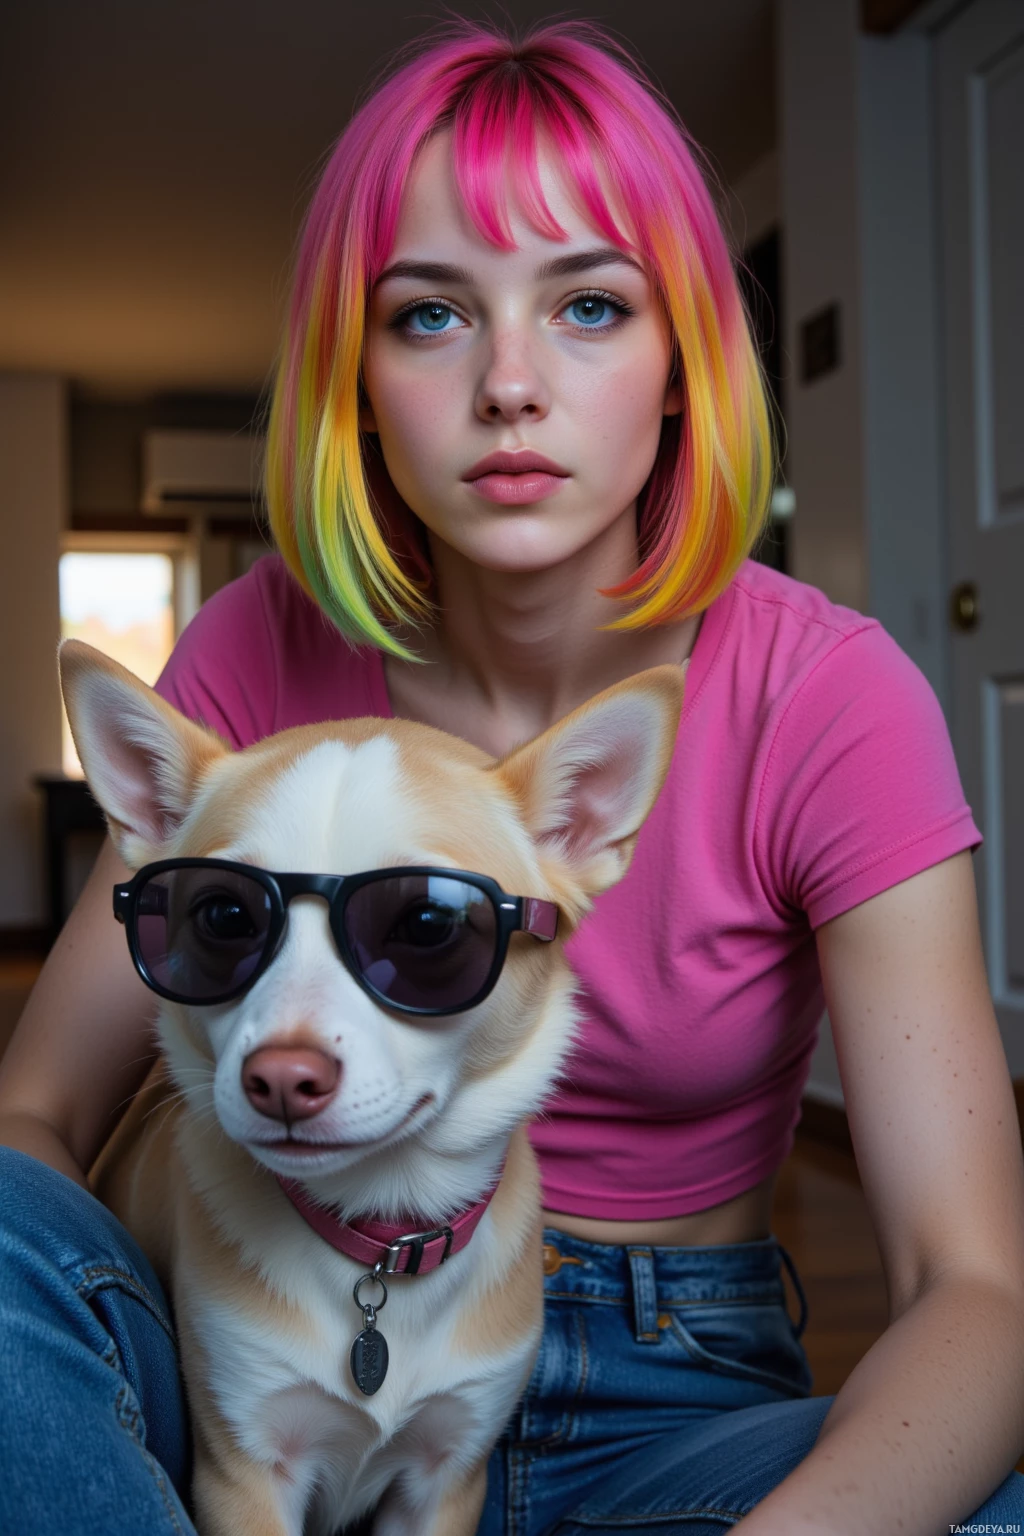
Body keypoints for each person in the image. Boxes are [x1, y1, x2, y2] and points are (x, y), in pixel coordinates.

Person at [1, 19, 1023, 1536]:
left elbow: (978, 1284)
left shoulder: (827, 694)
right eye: (430, 318)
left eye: (592, 305)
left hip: (657, 1390)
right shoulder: (255, 644)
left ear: (682, 364)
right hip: (249, 1312)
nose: (510, 385)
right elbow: (37, 1117)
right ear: (358, 372)